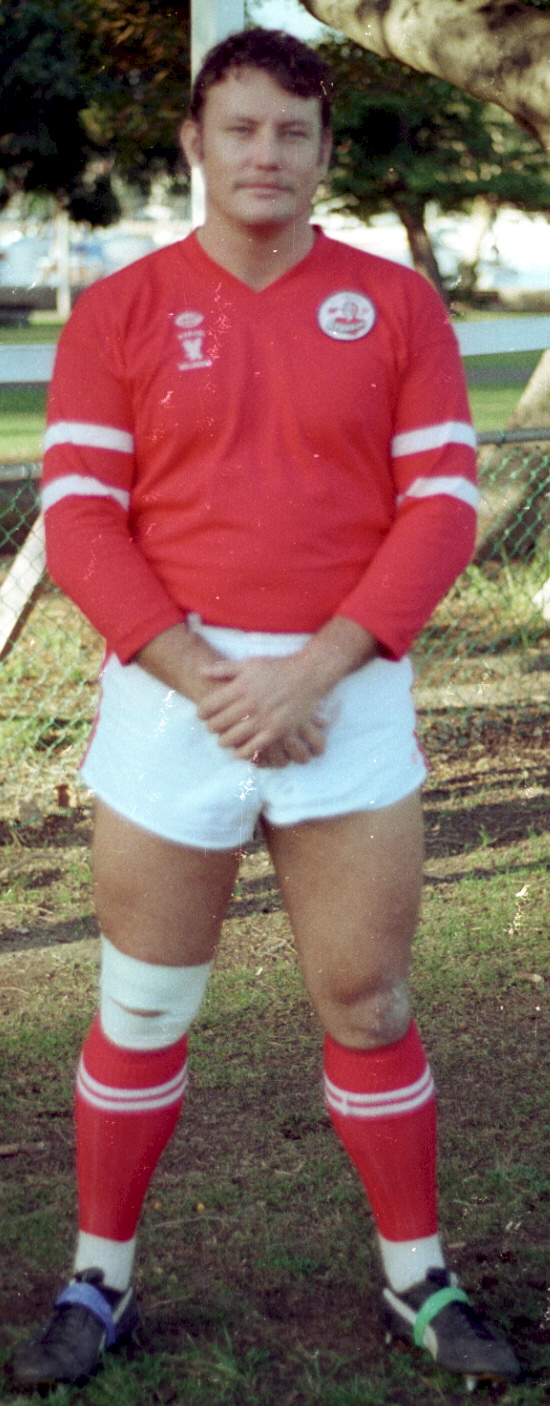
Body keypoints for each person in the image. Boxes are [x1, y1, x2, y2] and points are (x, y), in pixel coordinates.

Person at [13, 27, 520, 1391]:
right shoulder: (119, 311)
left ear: (320, 152)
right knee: (145, 1000)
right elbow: (78, 522)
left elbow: (440, 508)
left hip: (343, 692)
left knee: (364, 999)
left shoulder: (395, 301)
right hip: (173, 695)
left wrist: (309, 670)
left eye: (291, 134)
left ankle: (417, 1276)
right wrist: (212, 680)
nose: (265, 155)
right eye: (239, 129)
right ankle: (97, 1280)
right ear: (196, 140)